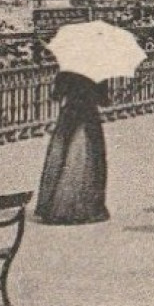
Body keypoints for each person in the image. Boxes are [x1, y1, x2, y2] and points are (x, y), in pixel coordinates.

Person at [35, 71, 111, 225]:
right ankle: (82, 207)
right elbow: (104, 100)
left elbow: (56, 95)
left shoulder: (66, 69)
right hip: (88, 117)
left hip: (69, 115)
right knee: (87, 160)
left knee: (62, 157)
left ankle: (55, 205)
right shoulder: (98, 69)